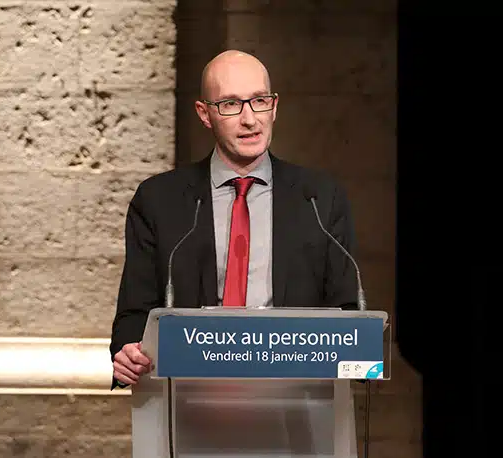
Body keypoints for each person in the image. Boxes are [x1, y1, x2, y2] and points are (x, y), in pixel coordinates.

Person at [110, 50, 359, 388]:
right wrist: (127, 352)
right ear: (205, 114)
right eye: (230, 104)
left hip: (297, 400)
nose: (250, 119)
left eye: (259, 101)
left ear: (274, 106)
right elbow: (134, 314)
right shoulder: (158, 200)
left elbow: (347, 313)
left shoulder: (320, 198)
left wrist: (359, 356)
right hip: (189, 397)